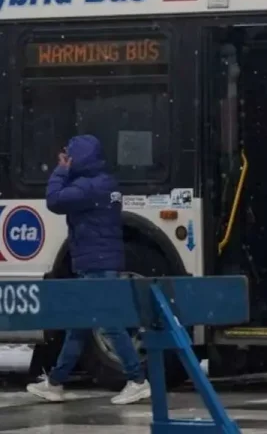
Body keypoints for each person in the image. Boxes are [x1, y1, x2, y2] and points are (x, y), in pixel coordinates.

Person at [26, 135, 151, 405]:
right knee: (80, 325)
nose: (66, 159)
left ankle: (137, 380)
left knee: (109, 323)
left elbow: (54, 201)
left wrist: (61, 170)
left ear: (79, 158)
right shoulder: (105, 183)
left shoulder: (87, 187)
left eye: (69, 156)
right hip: (100, 261)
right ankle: (56, 382)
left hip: (96, 264)